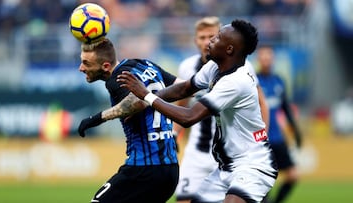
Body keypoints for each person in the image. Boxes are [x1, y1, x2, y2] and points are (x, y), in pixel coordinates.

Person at [118, 19, 278, 203]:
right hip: (226, 166)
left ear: (229, 50)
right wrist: (144, 102)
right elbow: (183, 89)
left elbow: (189, 117)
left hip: (253, 164)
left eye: (217, 38)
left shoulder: (236, 82)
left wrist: (147, 95)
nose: (210, 41)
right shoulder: (215, 67)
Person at [173, 16, 270, 203]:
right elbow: (182, 103)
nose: (207, 41)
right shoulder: (189, 67)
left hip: (233, 154)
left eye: (213, 36)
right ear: (195, 40)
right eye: (202, 37)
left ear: (228, 45)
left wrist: (260, 138)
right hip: (197, 153)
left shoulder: (242, 70)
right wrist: (174, 134)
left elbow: (261, 103)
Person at [77, 38, 179, 203]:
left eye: (86, 63)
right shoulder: (145, 64)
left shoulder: (117, 79)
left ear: (105, 67)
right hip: (170, 170)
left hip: (144, 169)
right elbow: (182, 87)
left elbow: (136, 101)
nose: (81, 68)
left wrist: (95, 119)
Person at [256, 45, 302, 203]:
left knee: (293, 175)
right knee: (263, 180)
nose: (266, 60)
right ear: (258, 59)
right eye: (263, 56)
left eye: (269, 56)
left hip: (278, 138)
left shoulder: (278, 81)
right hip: (261, 141)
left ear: (273, 59)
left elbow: (285, 108)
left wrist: (296, 131)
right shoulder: (253, 81)